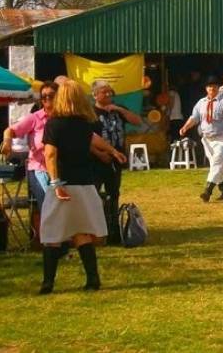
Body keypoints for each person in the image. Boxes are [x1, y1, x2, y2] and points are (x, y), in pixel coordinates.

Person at [40, 81, 126, 294]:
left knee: (52, 235)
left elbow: (50, 154)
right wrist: (113, 151)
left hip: (63, 184)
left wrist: (55, 182)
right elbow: (94, 139)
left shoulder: (54, 124)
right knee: (82, 232)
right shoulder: (85, 124)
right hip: (85, 185)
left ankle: (48, 283)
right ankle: (92, 279)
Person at [0, 82, 58, 241]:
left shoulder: (65, 117)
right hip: (40, 168)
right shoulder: (35, 118)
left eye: (51, 96)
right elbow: (10, 130)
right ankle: (51, 243)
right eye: (43, 96)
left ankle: (60, 242)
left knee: (61, 206)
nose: (47, 99)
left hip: (61, 169)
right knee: (49, 205)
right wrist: (7, 142)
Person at [91, 80, 143, 242]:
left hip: (116, 159)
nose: (108, 95)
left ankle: (113, 231)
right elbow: (87, 138)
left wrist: (120, 109)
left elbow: (137, 121)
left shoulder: (118, 109)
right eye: (104, 92)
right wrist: (100, 153)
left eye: (110, 92)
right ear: (95, 95)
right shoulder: (90, 112)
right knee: (94, 194)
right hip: (97, 160)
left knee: (113, 194)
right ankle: (96, 230)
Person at [180, 76, 223, 202]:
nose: (211, 88)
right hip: (206, 138)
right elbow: (194, 117)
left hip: (220, 137)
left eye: (214, 86)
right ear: (206, 88)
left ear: (218, 87)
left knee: (217, 162)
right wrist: (185, 127)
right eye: (209, 86)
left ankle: (207, 191)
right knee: (215, 165)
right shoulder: (201, 103)